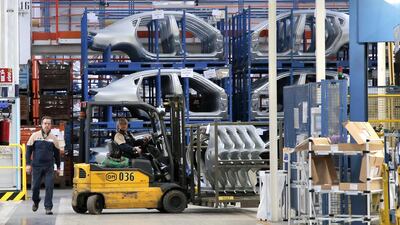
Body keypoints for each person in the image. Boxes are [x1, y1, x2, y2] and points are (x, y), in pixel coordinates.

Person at [26, 116, 60, 215]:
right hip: (36, 166)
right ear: (41, 124)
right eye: (45, 123)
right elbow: (28, 151)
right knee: (35, 187)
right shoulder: (34, 136)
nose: (47, 125)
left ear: (51, 125)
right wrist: (28, 164)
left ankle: (48, 207)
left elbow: (57, 154)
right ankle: (36, 201)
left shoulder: (54, 138)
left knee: (49, 187)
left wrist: (58, 167)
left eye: (49, 124)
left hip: (49, 166)